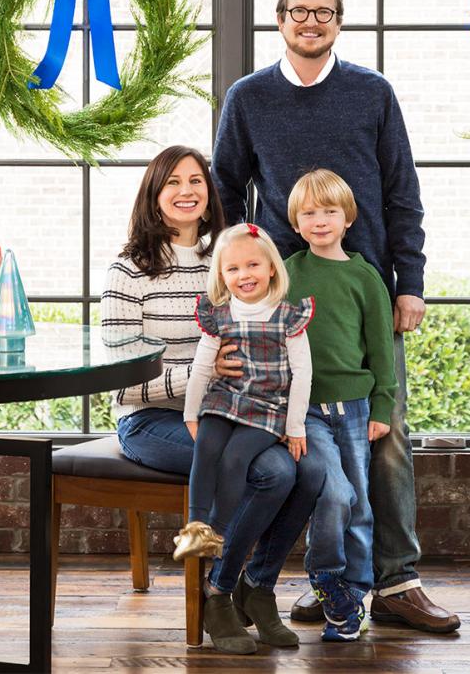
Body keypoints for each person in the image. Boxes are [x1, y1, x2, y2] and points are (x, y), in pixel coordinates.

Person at [211, 0, 460, 632]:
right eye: (298, 11)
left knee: (384, 436)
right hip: (284, 307)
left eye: (322, 12)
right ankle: (332, 580)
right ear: (280, 19)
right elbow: (227, 191)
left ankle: (397, 582)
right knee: (307, 443)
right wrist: (249, 276)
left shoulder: (371, 94)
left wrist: (409, 281)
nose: (310, 22)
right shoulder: (247, 98)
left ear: (337, 21)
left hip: (365, 294)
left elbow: (402, 191)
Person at [101, 145, 326, 655]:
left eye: (196, 180)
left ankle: (256, 587)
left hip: (239, 409)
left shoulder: (228, 255)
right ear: (153, 195)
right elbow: (119, 381)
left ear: (210, 191)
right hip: (153, 417)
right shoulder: (129, 268)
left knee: (309, 471)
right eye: (173, 182)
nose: (186, 191)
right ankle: (218, 592)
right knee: (272, 473)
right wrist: (196, 379)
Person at [285, 169, 396, 642]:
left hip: (354, 409)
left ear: (348, 217)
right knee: (333, 495)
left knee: (361, 503)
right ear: (295, 222)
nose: (320, 220)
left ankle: (354, 595)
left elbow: (381, 349)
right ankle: (327, 579)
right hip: (305, 411)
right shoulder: (287, 273)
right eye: (309, 212)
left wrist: (382, 407)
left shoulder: (364, 276)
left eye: (330, 211)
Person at [173, 223, 313, 568]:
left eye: (253, 265)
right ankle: (195, 526)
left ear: (270, 267)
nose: (244, 275)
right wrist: (191, 414)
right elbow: (203, 366)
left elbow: (303, 374)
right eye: (233, 268)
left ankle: (215, 534)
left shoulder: (288, 317)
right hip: (226, 398)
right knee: (206, 446)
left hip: (267, 407)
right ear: (221, 275)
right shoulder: (219, 315)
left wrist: (295, 426)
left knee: (236, 458)